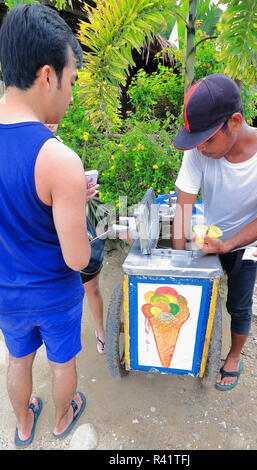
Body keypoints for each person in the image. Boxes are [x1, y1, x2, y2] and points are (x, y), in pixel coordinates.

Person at [0, 4, 91, 446]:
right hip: (54, 291)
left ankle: (21, 427)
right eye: (72, 80)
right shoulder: (59, 158)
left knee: (18, 360)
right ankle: (60, 420)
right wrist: (78, 208)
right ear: (48, 76)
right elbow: (78, 256)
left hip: (6, 293)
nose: (71, 95)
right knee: (61, 363)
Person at [172, 73, 257, 391]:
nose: (200, 148)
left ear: (235, 121)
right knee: (198, 297)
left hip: (245, 242)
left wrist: (228, 245)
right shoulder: (199, 150)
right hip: (209, 237)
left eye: (208, 139)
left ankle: (234, 355)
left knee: (238, 305)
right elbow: (183, 207)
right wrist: (178, 261)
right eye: (196, 141)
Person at [46, 124, 106, 354]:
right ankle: (62, 348)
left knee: (91, 286)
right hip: (50, 239)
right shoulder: (24, 150)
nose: (52, 123)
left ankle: (101, 331)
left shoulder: (59, 146)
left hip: (77, 229)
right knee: (62, 294)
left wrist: (82, 194)